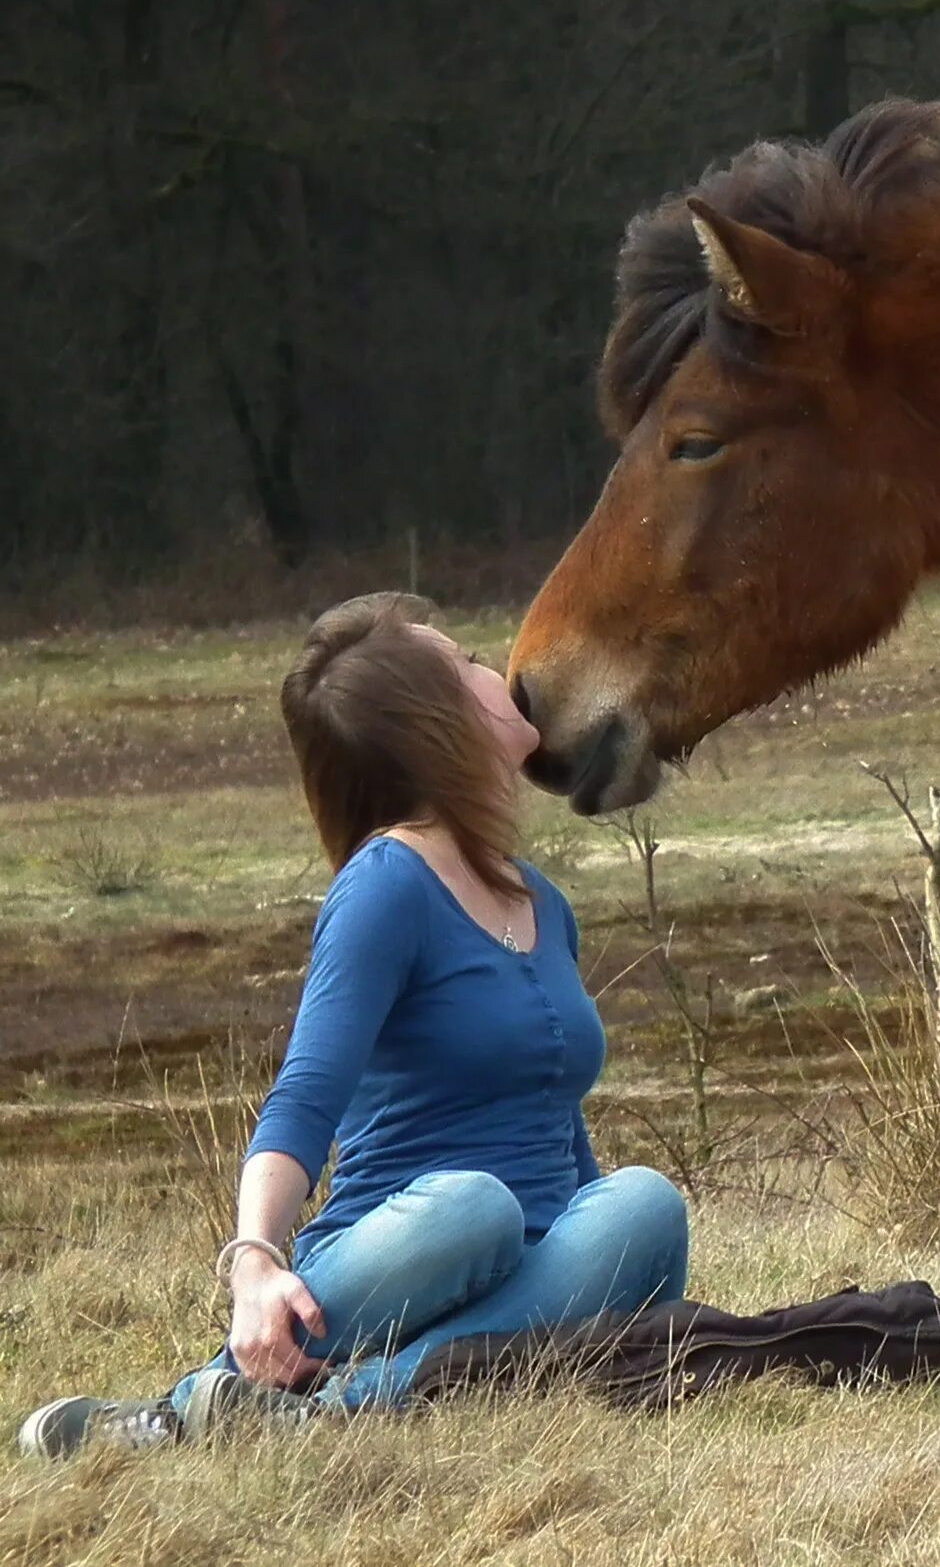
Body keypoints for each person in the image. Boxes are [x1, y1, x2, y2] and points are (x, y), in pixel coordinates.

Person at [17, 593, 689, 1458]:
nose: (501, 673)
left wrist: (607, 1250)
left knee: (644, 1202)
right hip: (414, 1248)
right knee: (474, 1206)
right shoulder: (387, 884)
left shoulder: (543, 903)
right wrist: (255, 1257)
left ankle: (346, 1407)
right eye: (471, 664)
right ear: (435, 719)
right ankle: (186, 1408)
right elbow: (307, 1095)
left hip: (538, 1272)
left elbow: (557, 1119)